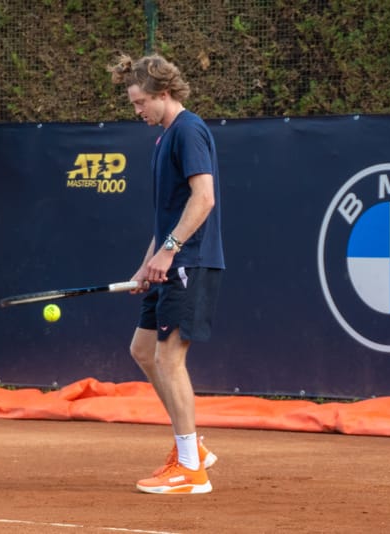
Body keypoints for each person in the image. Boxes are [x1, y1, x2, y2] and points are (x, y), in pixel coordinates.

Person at [107, 53, 225, 494]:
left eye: (141, 102)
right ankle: (191, 445)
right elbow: (168, 216)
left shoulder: (189, 130)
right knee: (142, 350)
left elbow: (204, 198)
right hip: (172, 260)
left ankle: (192, 469)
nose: (137, 111)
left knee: (169, 358)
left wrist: (171, 252)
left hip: (190, 262)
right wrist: (147, 264)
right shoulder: (164, 139)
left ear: (164, 93)